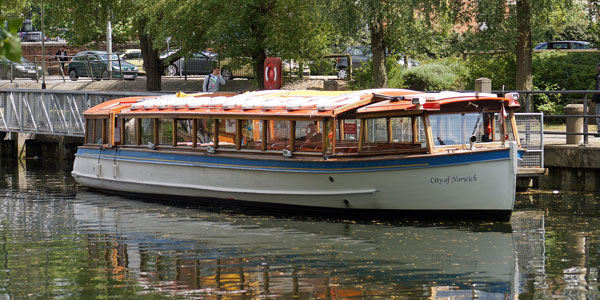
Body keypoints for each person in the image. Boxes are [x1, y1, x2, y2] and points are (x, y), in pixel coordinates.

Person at [593, 63, 600, 135]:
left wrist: (593, 99)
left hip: (599, 99)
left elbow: (597, 89)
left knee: (598, 114)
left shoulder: (599, 77)